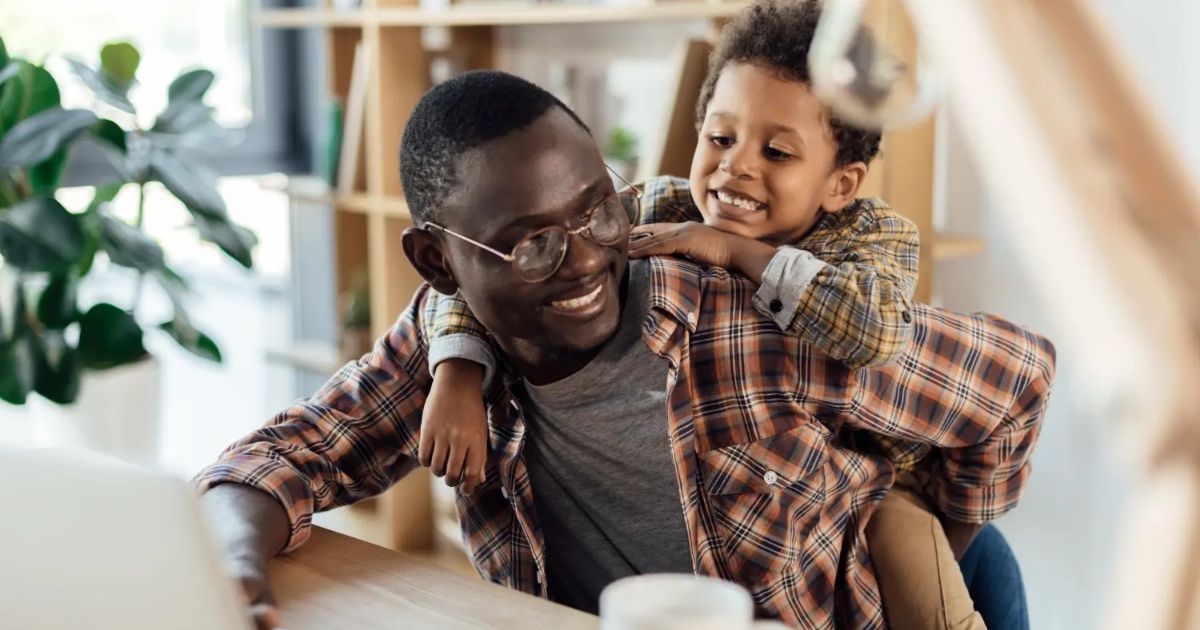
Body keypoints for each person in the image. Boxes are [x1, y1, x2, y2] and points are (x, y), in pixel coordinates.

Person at [196, 69, 1055, 629]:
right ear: (437, 261)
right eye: (530, 243)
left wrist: (945, 520)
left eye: (598, 208)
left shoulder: (749, 322)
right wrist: (234, 559)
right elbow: (288, 452)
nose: (584, 258)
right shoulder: (452, 348)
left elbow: (1017, 377)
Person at [417, 2, 985, 627]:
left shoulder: (872, 234)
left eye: (777, 152)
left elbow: (875, 333)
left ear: (841, 185)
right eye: (720, 138)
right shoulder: (663, 203)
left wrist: (742, 253)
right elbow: (496, 269)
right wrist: (458, 370)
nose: (737, 164)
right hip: (767, 507)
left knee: (935, 605)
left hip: (882, 486)